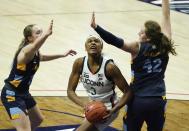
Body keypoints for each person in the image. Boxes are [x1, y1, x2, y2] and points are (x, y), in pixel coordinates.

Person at [91, 0, 177, 131]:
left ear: (148, 38)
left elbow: (114, 40)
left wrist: (96, 27)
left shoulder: (137, 47)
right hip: (158, 100)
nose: (138, 34)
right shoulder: (165, 44)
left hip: (138, 100)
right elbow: (166, 16)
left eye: (141, 33)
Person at [1, 20, 77, 131]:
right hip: (11, 96)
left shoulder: (35, 53)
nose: (41, 35)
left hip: (24, 93)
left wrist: (62, 54)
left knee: (37, 119)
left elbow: (43, 57)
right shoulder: (26, 50)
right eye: (38, 33)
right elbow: (33, 48)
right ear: (29, 38)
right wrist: (46, 35)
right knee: (24, 129)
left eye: (41, 32)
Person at [67, 35, 132, 131]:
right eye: (90, 41)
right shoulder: (79, 63)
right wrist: (85, 105)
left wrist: (114, 109)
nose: (93, 43)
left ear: (101, 48)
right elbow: (70, 91)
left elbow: (128, 92)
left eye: (96, 41)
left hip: (108, 108)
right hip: (92, 106)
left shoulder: (110, 67)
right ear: (85, 48)